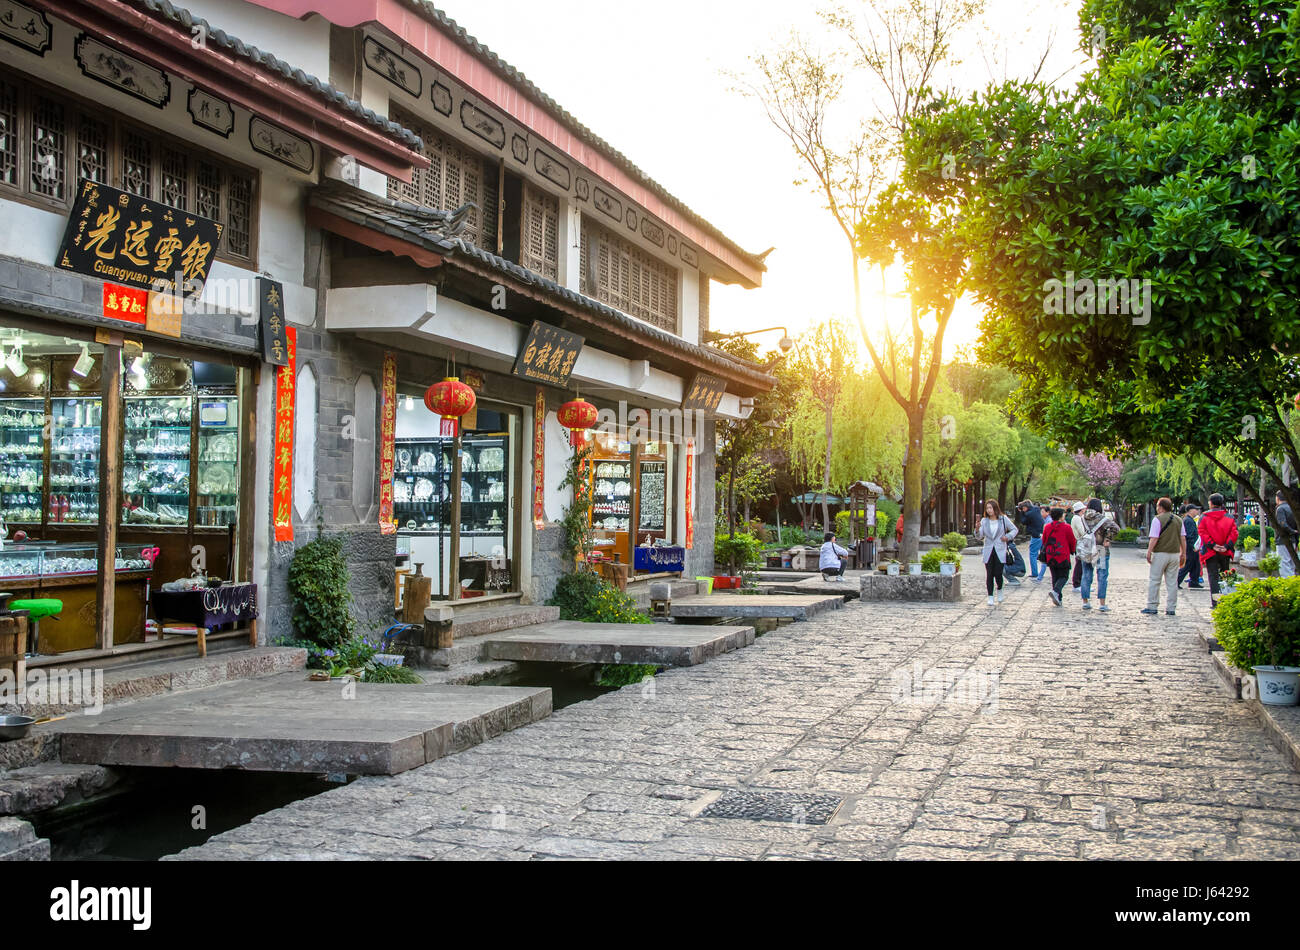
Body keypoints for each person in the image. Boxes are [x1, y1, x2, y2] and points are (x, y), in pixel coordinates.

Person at [1142, 496, 1186, 616]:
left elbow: (1154, 538)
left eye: (1157, 506)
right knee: (1172, 582)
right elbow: (1183, 538)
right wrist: (1183, 553)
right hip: (1175, 554)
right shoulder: (1179, 520)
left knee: (1155, 580)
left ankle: (1152, 605)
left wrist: (1149, 551)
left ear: (1160, 507)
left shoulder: (1158, 519)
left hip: (1161, 553)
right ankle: (1171, 608)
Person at [1198, 493, 1239, 607]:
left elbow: (1202, 532)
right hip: (1225, 551)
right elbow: (1234, 533)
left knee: (1213, 576)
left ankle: (1215, 602)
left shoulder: (1204, 517)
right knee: (1224, 575)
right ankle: (1225, 600)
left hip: (1211, 552)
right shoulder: (1229, 517)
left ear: (1211, 503)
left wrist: (1213, 545)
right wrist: (1226, 546)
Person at [1079, 497, 1118, 611]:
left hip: (1086, 550)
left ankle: (1085, 602)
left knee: (1086, 575)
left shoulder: (1082, 518)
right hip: (1100, 549)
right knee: (1102, 576)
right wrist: (1107, 539)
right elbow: (1115, 528)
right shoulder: (1102, 519)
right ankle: (1102, 603)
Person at [978, 499, 1017, 606]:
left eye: (991, 508)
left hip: (1000, 549)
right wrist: (976, 529)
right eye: (987, 508)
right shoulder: (984, 521)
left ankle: (999, 590)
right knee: (989, 574)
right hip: (988, 549)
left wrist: (1007, 537)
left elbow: (1014, 529)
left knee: (998, 573)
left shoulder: (1003, 519)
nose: (989, 510)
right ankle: (990, 596)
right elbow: (979, 536)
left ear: (995, 508)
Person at [1041, 507, 1076, 606]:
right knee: (1064, 576)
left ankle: (1058, 599)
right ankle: (1056, 592)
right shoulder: (1067, 527)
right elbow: (1072, 540)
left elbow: (1044, 540)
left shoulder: (1047, 527)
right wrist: (1073, 550)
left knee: (1055, 577)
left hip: (1050, 555)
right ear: (1060, 517)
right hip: (1062, 555)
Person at [1016, 500, 1046, 581]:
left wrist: (1021, 512)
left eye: (1023, 508)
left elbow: (1023, 521)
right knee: (1043, 553)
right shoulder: (1036, 509)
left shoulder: (1029, 514)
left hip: (1036, 535)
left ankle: (1035, 573)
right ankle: (1041, 572)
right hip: (1042, 534)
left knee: (1033, 554)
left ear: (1025, 507)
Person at [1177, 503, 1204, 589]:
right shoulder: (1188, 520)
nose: (1197, 511)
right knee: (1188, 564)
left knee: (1195, 564)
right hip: (1190, 546)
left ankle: (1194, 581)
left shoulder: (1189, 520)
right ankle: (1177, 581)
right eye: (1196, 509)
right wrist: (1193, 546)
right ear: (1191, 510)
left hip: (1192, 546)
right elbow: (1188, 535)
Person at [1275, 490, 1298, 579]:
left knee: (1284, 564)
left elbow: (1282, 524)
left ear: (1278, 498)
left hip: (1283, 540)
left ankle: (1287, 585)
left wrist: (1292, 531)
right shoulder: (1291, 508)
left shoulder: (1280, 509)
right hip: (1293, 540)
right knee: (1291, 564)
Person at [1069, 501, 1088, 592]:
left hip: (1079, 542)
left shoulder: (1077, 518)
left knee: (1080, 563)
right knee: (1080, 564)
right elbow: (1082, 531)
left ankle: (1079, 583)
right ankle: (1077, 584)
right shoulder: (1077, 519)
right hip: (1080, 542)